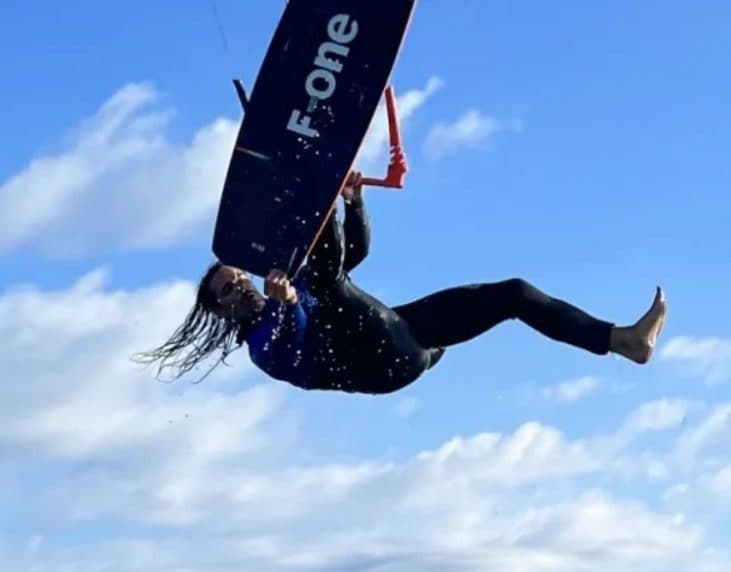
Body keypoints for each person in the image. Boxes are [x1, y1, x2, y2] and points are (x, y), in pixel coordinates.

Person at [137, 172, 667, 391]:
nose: (240, 287)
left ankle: (622, 341)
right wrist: (288, 302)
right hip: (375, 365)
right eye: (228, 290)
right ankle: (320, 187)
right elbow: (295, 331)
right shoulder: (261, 346)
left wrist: (355, 205)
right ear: (221, 311)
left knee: (513, 293)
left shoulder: (286, 288)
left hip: (404, 337)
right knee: (326, 282)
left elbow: (354, 254)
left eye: (237, 278)